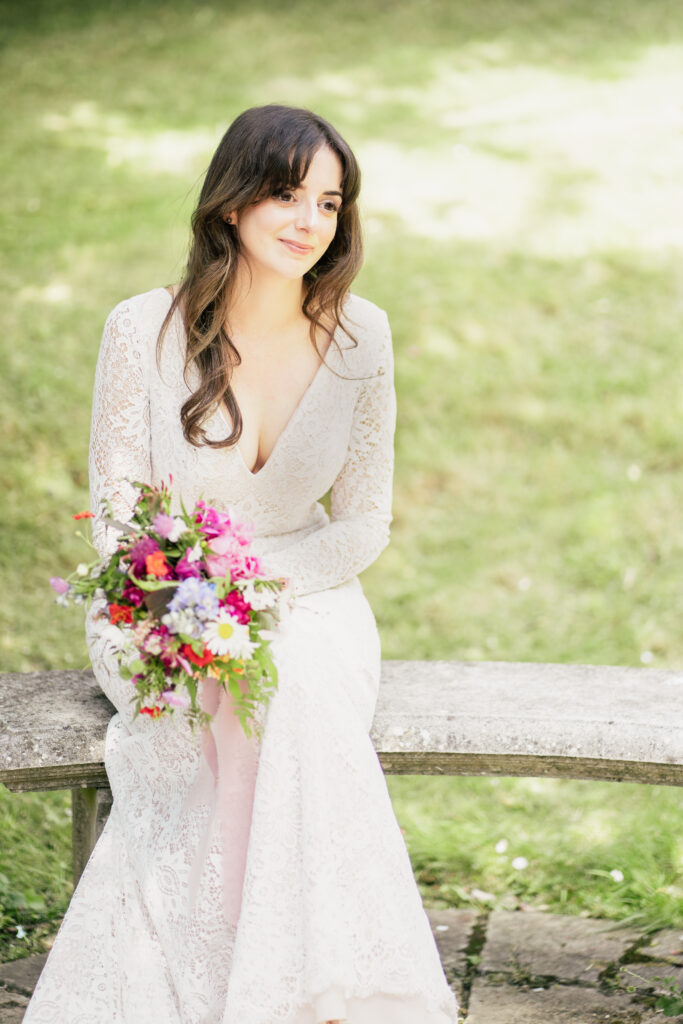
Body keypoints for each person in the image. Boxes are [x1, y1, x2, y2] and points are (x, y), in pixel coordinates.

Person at [24, 104, 459, 1024]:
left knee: (290, 677)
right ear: (231, 204)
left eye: (330, 202)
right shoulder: (141, 328)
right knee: (250, 687)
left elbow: (360, 526)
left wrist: (250, 594)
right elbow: (116, 500)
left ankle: (303, 986)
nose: (310, 220)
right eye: (286, 194)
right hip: (157, 600)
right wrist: (184, 594)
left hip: (311, 596)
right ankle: (295, 985)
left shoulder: (359, 338)